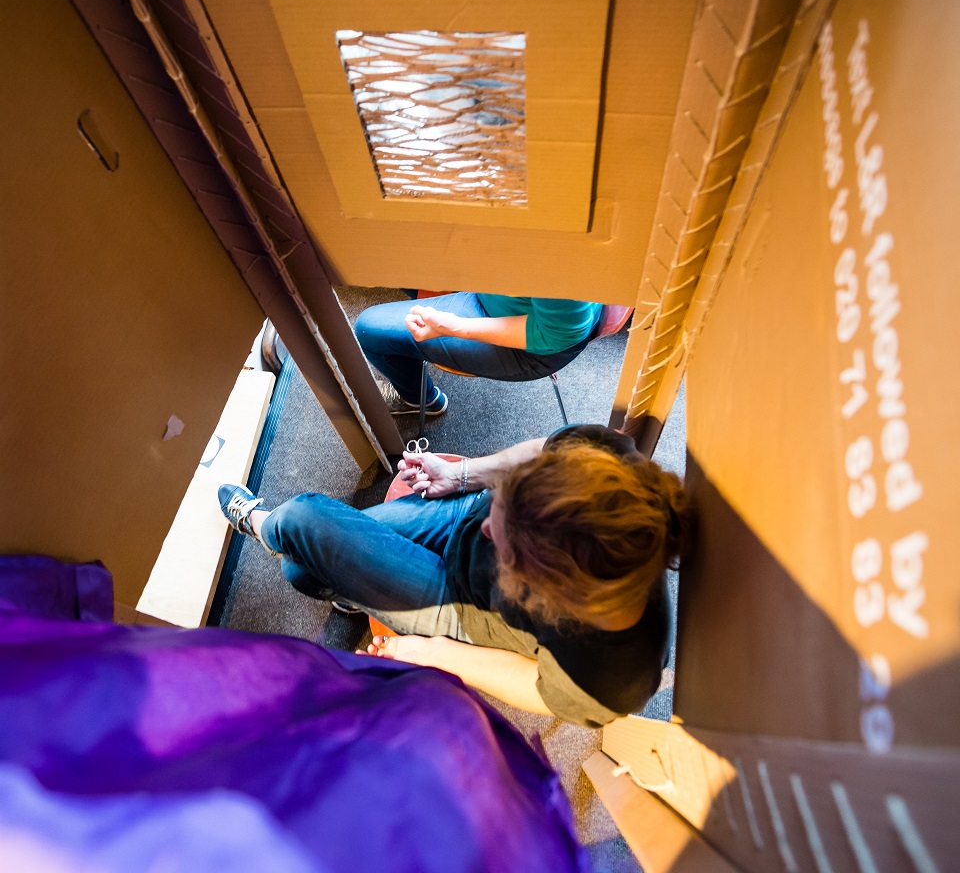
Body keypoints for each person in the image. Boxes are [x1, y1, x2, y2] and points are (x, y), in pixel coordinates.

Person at [218, 425, 693, 728]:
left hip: (470, 609)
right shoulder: (606, 466)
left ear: (551, 596)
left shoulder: (616, 676)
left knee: (300, 542)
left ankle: (263, 525)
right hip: (461, 521)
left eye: (502, 544)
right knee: (306, 562)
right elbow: (538, 452)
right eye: (507, 501)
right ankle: (349, 590)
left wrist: (433, 653)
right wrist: (463, 475)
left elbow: (539, 687)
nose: (488, 531)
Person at [354, 293, 604, 415]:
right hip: (497, 295)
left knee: (370, 329)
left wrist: (452, 327)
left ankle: (420, 400)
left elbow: (557, 335)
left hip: (532, 343)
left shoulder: (559, 256)